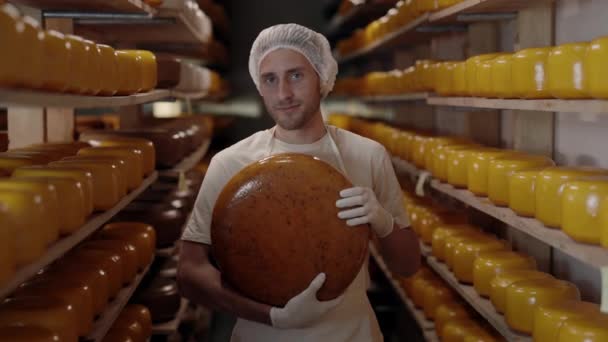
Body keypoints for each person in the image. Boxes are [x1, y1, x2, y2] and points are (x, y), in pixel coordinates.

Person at [177, 23, 421, 341]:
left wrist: (384, 223)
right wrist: (273, 317)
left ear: (321, 76)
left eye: (296, 75)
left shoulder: (368, 155)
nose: (284, 94)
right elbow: (189, 273)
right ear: (259, 86)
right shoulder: (230, 163)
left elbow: (408, 265)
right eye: (270, 79)